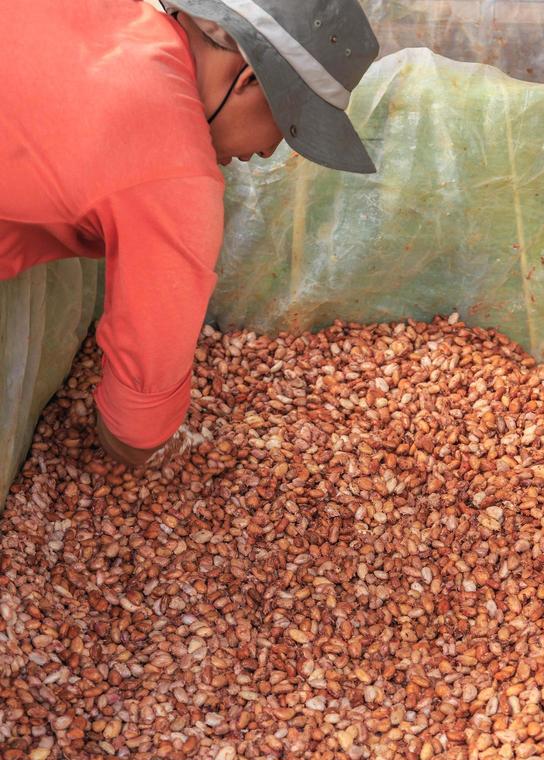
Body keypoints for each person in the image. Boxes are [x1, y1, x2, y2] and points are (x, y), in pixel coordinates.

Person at [0, 0, 379, 466]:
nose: (267, 152)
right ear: (247, 80)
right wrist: (155, 453)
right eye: (286, 126)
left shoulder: (105, 14)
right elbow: (134, 430)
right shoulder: (176, 171)